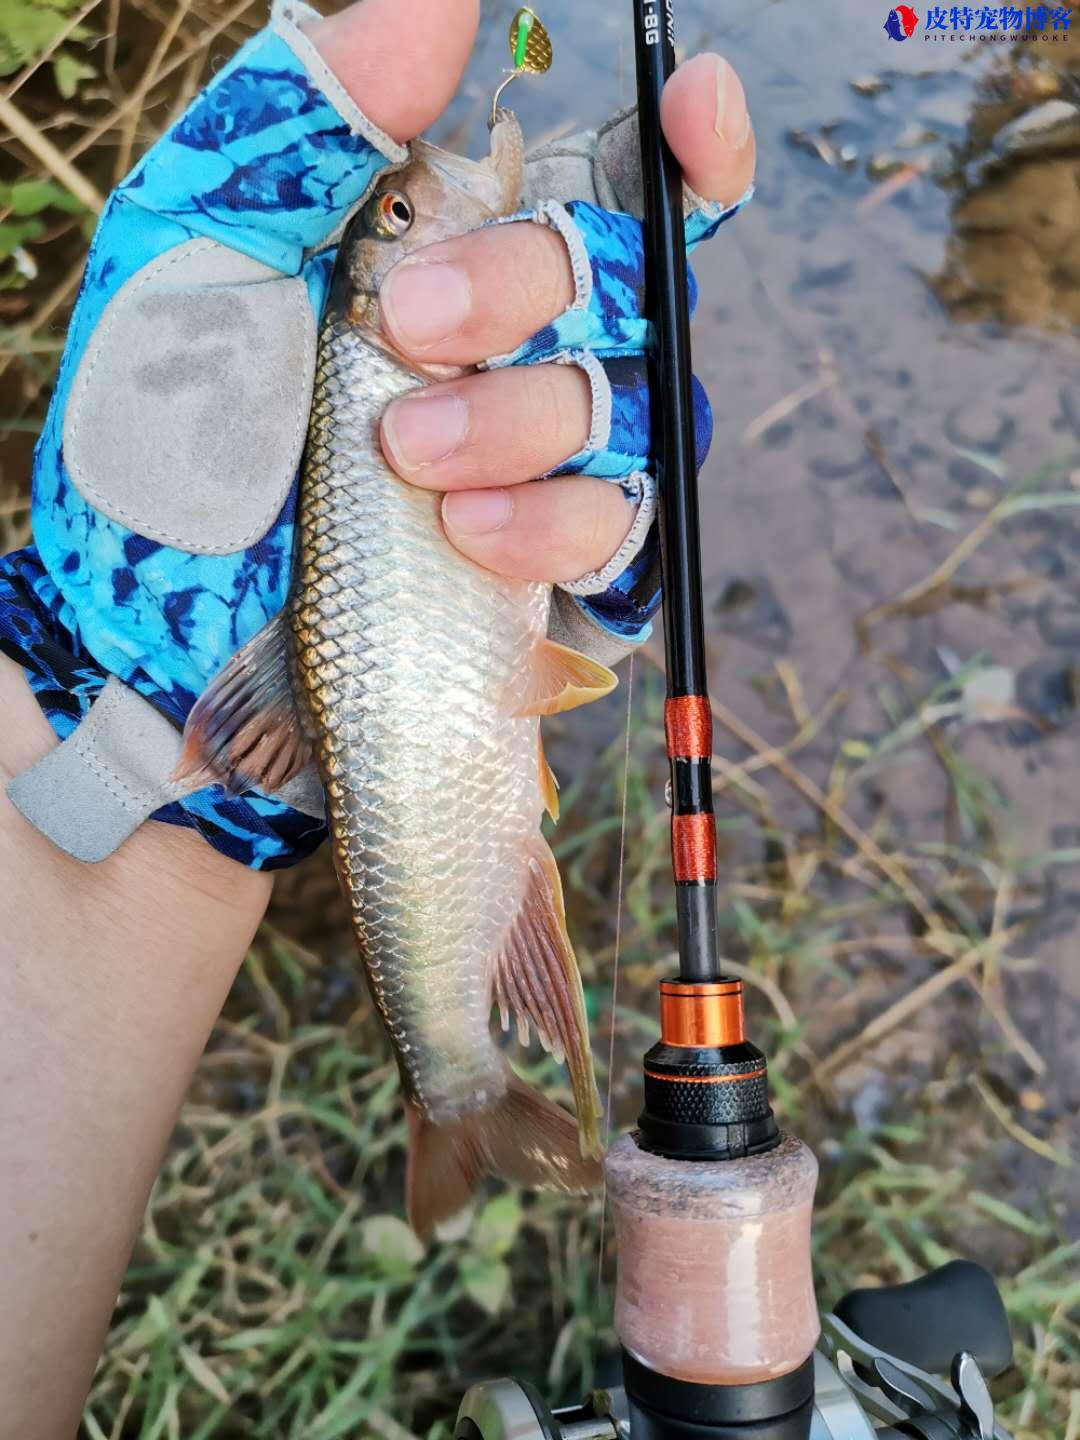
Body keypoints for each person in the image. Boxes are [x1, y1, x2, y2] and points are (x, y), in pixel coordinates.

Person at [0, 0, 756, 1430]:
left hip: (379, 709)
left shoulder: (413, 316)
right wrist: (123, 693)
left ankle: (458, 1083)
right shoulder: (369, 335)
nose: (423, 195)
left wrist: (123, 727)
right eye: (403, 211)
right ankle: (458, 1084)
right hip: (399, 712)